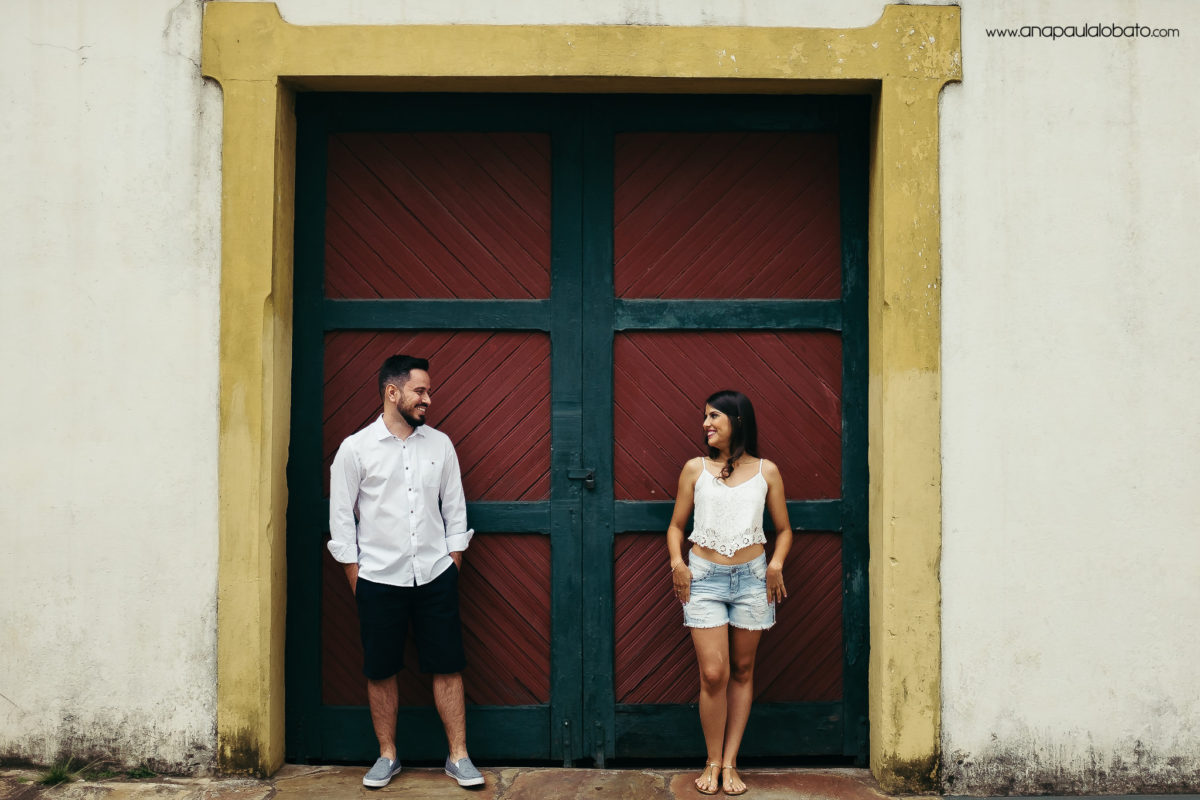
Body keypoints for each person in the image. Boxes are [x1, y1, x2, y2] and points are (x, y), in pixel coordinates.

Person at [328, 354, 485, 789]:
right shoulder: (354, 450)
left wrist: (451, 565)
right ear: (391, 392)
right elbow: (341, 522)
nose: (428, 399)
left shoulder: (440, 445)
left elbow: (455, 512)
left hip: (436, 574)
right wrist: (357, 580)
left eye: (428, 391)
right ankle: (387, 755)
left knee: (448, 665)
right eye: (420, 391)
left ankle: (458, 755)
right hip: (378, 579)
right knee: (380, 669)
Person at [665, 390, 793, 797]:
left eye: (714, 416)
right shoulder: (694, 469)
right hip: (704, 578)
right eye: (705, 416)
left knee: (741, 671)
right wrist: (676, 563)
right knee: (713, 672)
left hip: (753, 579)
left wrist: (775, 564)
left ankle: (731, 763)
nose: (706, 423)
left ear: (737, 420)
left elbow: (785, 530)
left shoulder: (766, 471)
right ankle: (711, 760)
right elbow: (675, 527)